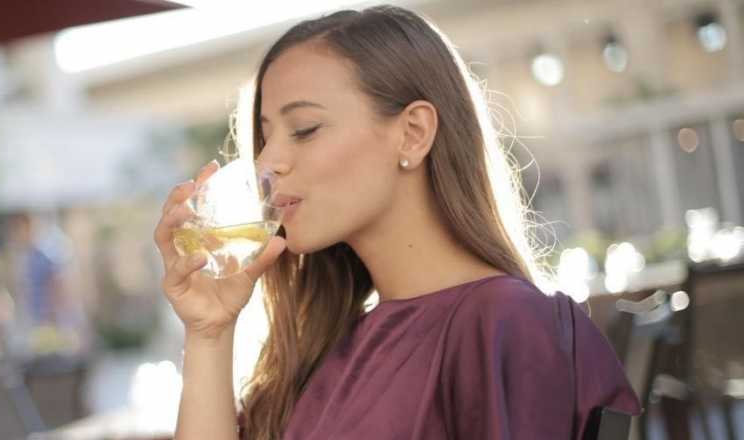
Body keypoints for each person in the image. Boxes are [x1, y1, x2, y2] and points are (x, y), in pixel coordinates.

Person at [153, 5, 640, 440]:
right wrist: (209, 335)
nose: (270, 161)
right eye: (265, 137)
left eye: (304, 129)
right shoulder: (329, 346)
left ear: (413, 133)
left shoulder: (502, 323)